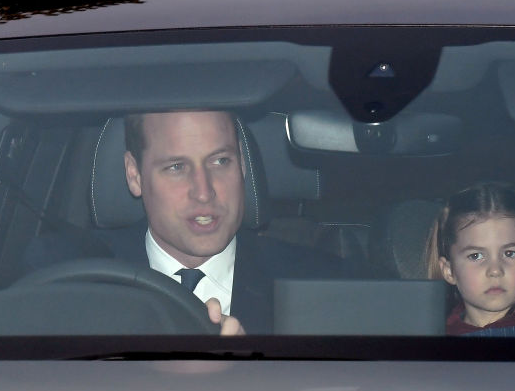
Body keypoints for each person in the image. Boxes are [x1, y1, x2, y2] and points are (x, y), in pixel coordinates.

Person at [115, 109, 349, 335]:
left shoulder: (327, 289)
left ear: (242, 164)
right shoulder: (85, 286)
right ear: (134, 175)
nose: (204, 192)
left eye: (220, 161)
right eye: (177, 167)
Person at [427, 183, 515, 337]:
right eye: (476, 256)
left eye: (510, 253)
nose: (495, 271)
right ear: (449, 271)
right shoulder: (432, 338)